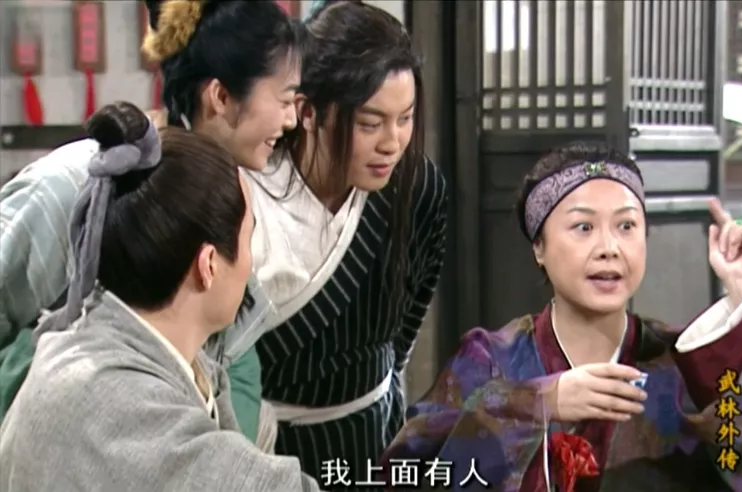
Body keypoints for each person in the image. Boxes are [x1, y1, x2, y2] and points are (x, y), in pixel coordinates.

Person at [381, 141, 742, 492]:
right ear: (539, 246)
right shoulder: (490, 360)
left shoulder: (681, 364)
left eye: (626, 226)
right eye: (583, 227)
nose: (609, 247)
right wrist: (539, 402)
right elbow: (407, 472)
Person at [0, 0, 302, 440]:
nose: (292, 120)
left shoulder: (230, 201)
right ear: (220, 97)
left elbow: (233, 359)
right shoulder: (79, 185)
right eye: (285, 100)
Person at [0, 102, 322, 492]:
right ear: (208, 265)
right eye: (248, 239)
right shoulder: (123, 405)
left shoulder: (93, 343)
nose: (250, 265)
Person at [228, 1, 447, 488]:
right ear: (308, 112)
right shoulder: (249, 198)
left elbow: (405, 328)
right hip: (274, 452)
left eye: (405, 118)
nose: (393, 142)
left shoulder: (418, 190)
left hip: (376, 436)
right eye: (370, 123)